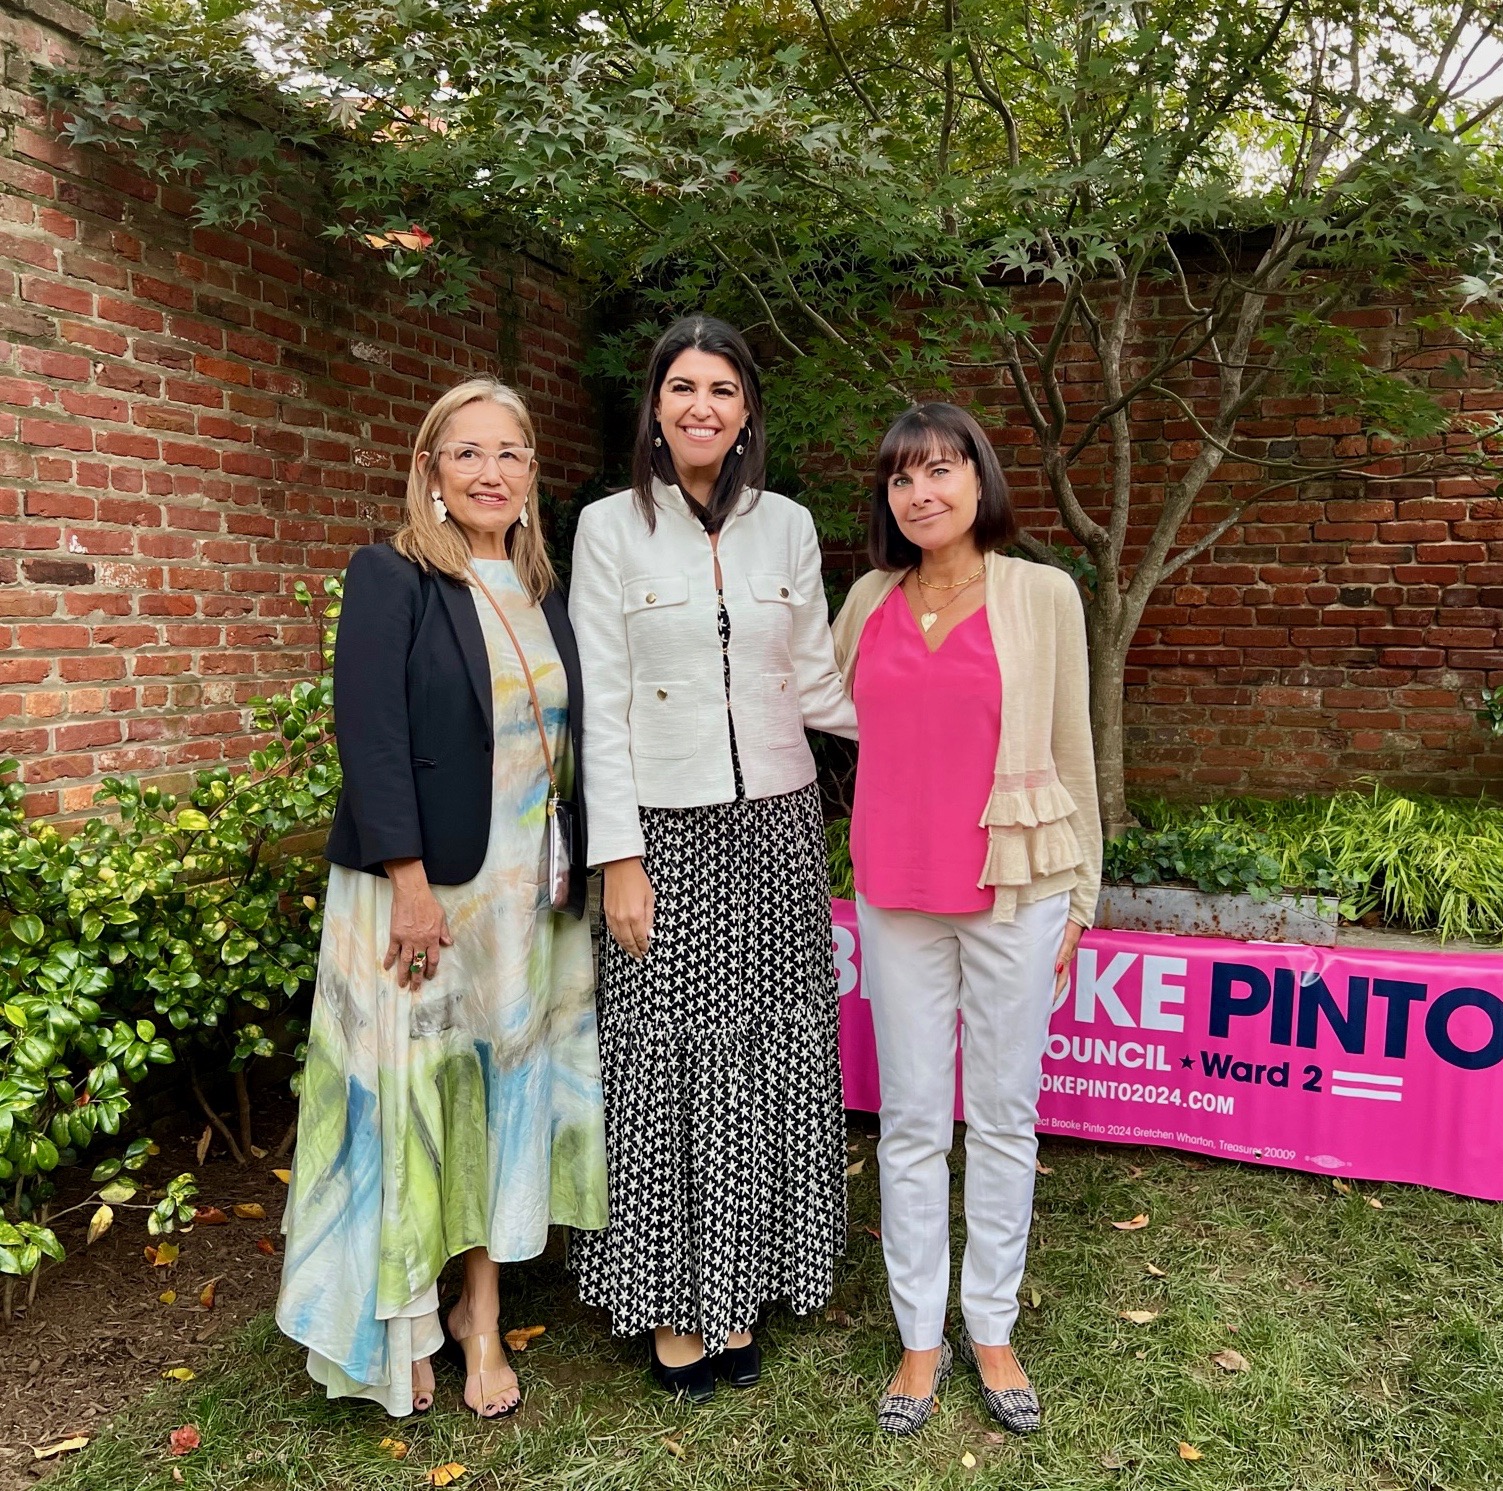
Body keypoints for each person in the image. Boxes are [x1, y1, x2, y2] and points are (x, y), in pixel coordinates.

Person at [276, 378, 606, 1419]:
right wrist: (411, 887)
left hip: (527, 904)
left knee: (497, 1093)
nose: (489, 472)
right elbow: (369, 737)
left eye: (509, 453)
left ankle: (481, 1314)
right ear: (430, 469)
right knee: (414, 1099)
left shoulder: (548, 589)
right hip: (424, 894)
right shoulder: (393, 576)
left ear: (532, 474)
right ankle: (401, 1315)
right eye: (465, 453)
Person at [566, 314, 856, 1402]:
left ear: (747, 413)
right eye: (682, 387)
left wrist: (945, 726)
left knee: (771, 1049)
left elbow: (820, 681)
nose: (702, 406)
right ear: (656, 405)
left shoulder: (787, 525)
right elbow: (597, 706)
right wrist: (618, 857)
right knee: (670, 1051)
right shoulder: (607, 528)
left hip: (778, 827)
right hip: (665, 834)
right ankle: (677, 1301)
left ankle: (753, 1276)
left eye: (723, 390)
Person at [830, 402, 1102, 1436]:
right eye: (902, 480)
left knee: (1000, 1115)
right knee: (908, 1122)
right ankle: (919, 1338)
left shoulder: (1041, 594)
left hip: (1014, 894)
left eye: (940, 471)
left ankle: (990, 1326)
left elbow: (1073, 751)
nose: (921, 494)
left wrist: (1081, 898)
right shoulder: (867, 598)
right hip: (895, 895)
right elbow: (808, 696)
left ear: (979, 481)